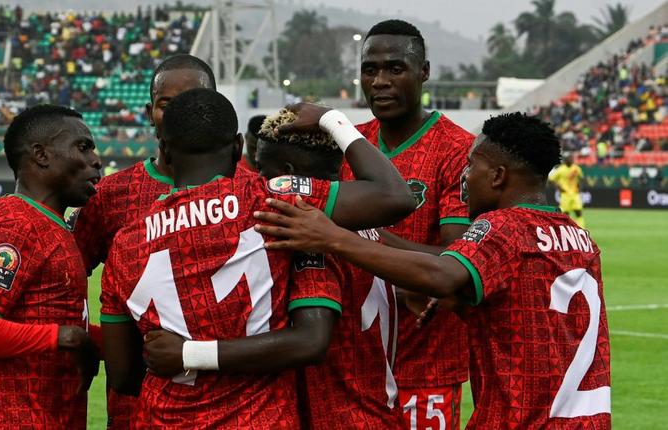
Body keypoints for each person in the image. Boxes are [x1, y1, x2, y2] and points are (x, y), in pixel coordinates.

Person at [255, 112, 611, 429]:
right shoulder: (579, 237)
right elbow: (530, 306)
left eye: (472, 167)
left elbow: (441, 273)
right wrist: (460, 298)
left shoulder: (503, 227)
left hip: (522, 419)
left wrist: (331, 237)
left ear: (499, 176)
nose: (465, 178)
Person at [99, 89, 415, 428]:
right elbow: (395, 196)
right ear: (238, 148)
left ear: (164, 149)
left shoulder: (124, 243)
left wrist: (186, 356)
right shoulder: (272, 200)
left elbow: (123, 377)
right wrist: (330, 117)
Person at [70, 53, 219, 430]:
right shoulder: (112, 194)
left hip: (234, 398)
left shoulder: (250, 189)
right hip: (137, 406)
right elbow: (64, 276)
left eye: (192, 103)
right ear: (149, 110)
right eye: (167, 105)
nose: (179, 115)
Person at [0, 104, 103, 429]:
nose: (96, 159)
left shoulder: (52, 225)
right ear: (41, 155)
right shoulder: (16, 225)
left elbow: (58, 322)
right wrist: (64, 337)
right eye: (83, 147)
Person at [347, 19, 474, 427]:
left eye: (395, 68)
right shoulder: (350, 145)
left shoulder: (458, 150)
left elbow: (457, 261)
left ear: (424, 72)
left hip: (427, 365)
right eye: (371, 70)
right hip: (354, 365)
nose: (380, 81)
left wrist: (367, 236)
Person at [549, 153, 586, 228]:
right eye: (569, 158)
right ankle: (566, 229)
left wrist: (580, 188)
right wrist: (558, 188)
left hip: (575, 194)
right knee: (565, 214)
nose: (571, 160)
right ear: (565, 160)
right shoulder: (560, 170)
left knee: (578, 212)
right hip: (565, 194)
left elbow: (582, 179)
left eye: (571, 158)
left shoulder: (576, 168)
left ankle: (581, 228)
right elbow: (551, 180)